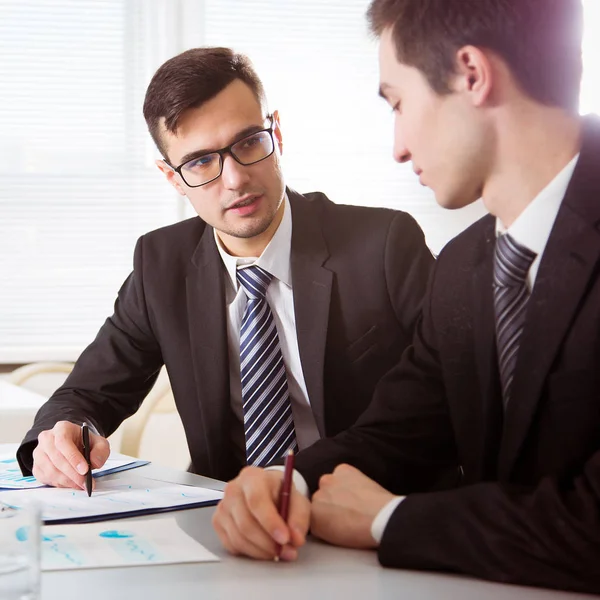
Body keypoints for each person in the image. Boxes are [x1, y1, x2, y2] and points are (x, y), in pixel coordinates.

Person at [211, 0, 600, 594]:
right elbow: (399, 433)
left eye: (398, 103)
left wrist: (389, 520)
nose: (396, 146)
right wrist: (286, 484)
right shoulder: (465, 265)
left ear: (472, 74)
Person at [17, 48, 433, 489]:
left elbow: (438, 403)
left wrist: (293, 483)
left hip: (367, 510)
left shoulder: (384, 245)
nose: (234, 179)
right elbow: (87, 392)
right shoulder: (162, 265)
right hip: (227, 524)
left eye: (249, 141)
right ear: (173, 177)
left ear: (277, 133)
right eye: (200, 162)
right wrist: (61, 436)